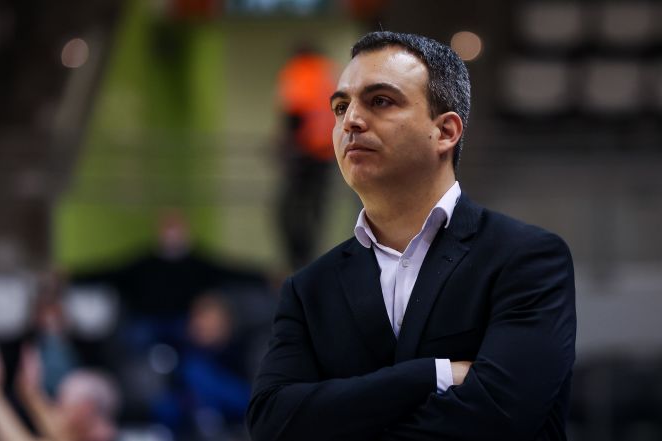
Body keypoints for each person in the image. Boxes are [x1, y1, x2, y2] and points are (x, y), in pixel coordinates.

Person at [247, 31, 576, 441]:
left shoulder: (527, 259)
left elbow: (498, 421)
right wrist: (433, 374)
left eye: (380, 101)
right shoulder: (308, 289)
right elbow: (271, 424)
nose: (351, 121)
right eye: (341, 107)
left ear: (446, 132)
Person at [0, 343, 120, 441]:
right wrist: (31, 394)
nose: (56, 408)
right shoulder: (91, 431)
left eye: (62, 403)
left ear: (85, 408)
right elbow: (58, 431)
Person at [275, 43, 337, 269]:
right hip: (327, 152)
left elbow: (295, 112)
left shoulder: (299, 70)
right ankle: (310, 259)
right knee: (315, 211)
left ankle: (298, 260)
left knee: (287, 210)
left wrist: (286, 145)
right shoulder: (329, 72)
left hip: (304, 152)